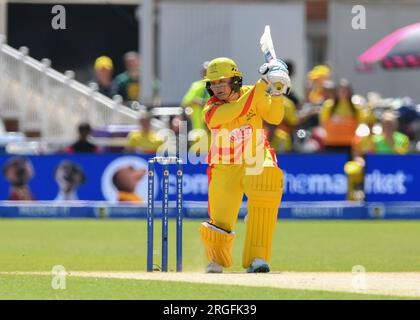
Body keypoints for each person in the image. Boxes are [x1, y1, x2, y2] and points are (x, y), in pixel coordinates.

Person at [200, 57, 291, 273]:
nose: (217, 87)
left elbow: (275, 117)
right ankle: (217, 260)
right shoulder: (211, 108)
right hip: (224, 166)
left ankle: (257, 259)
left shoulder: (254, 93)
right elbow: (239, 109)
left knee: (265, 191)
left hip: (256, 158)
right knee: (220, 223)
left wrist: (277, 91)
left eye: (222, 81)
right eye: (213, 83)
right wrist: (263, 82)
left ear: (235, 80)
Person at [319, 79, 363, 157]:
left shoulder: (355, 108)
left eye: (345, 89)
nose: (343, 91)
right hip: (331, 143)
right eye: (341, 89)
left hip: (348, 144)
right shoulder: (328, 106)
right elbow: (323, 124)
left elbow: (359, 124)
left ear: (349, 91)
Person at [182, 61, 210, 131]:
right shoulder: (196, 86)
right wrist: (194, 102)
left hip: (212, 128)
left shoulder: (216, 86)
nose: (205, 74)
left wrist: (203, 102)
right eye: (204, 71)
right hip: (198, 127)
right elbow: (185, 103)